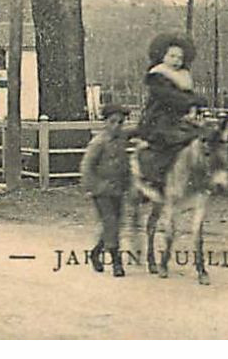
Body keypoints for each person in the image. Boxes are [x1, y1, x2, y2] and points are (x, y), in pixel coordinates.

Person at [135, 34, 207, 191]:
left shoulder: (183, 76)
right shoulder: (157, 76)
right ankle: (155, 178)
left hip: (178, 118)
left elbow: (187, 95)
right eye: (172, 56)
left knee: (204, 138)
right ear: (162, 56)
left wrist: (196, 102)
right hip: (159, 117)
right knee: (168, 141)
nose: (176, 60)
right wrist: (191, 101)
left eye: (179, 57)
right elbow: (169, 97)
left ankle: (195, 176)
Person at [79, 103, 131, 277]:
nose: (116, 126)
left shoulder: (122, 139)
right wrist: (92, 187)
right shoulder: (99, 142)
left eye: (120, 122)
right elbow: (87, 166)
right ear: (105, 122)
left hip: (118, 189)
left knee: (115, 224)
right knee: (110, 223)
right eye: (113, 121)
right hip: (101, 190)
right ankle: (117, 263)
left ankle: (96, 252)